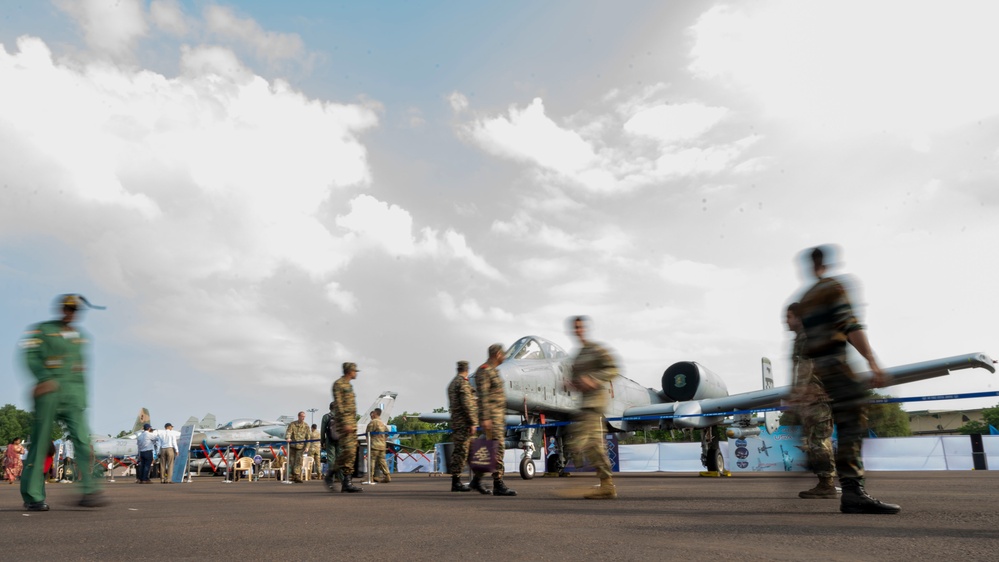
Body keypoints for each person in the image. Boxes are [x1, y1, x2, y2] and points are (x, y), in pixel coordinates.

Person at [797, 246, 900, 514]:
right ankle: (853, 491)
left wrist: (804, 384)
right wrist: (872, 361)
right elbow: (850, 325)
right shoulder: (834, 288)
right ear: (827, 263)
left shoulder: (806, 298)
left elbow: (801, 346)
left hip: (820, 373)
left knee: (840, 426)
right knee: (852, 424)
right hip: (838, 368)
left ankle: (846, 486)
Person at [19, 294, 108, 510]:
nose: (71, 313)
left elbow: (81, 372)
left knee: (82, 441)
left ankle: (89, 490)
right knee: (41, 445)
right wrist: (42, 378)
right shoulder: (42, 330)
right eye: (68, 308)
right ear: (61, 309)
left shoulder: (80, 337)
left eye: (75, 310)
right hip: (49, 393)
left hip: (73, 398)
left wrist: (83, 399)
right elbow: (30, 356)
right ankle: (33, 496)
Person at [786, 302, 837, 499]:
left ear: (799, 318)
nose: (786, 322)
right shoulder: (802, 338)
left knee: (819, 441)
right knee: (814, 440)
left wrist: (798, 394)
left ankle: (827, 484)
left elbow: (805, 369)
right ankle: (825, 481)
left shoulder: (808, 337)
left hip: (815, 397)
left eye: (789, 317)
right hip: (809, 398)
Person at [567, 316, 620, 499]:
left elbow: (613, 368)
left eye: (580, 327)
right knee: (587, 444)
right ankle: (605, 484)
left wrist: (594, 379)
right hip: (584, 406)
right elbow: (577, 382)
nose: (578, 330)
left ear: (585, 329)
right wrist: (571, 384)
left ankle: (607, 485)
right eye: (575, 327)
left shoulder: (596, 350)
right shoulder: (578, 355)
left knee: (593, 445)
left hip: (595, 404)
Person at [472, 344, 517, 497]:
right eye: (503, 354)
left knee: (487, 450)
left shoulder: (493, 371)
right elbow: (483, 395)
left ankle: (476, 480)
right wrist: (485, 417)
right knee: (497, 449)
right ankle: (498, 484)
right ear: (497, 354)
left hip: (497, 418)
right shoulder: (485, 371)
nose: (504, 356)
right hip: (491, 418)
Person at [331, 363, 362, 493]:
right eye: (355, 371)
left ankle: (347, 482)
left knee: (352, 452)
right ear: (350, 371)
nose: (356, 373)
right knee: (348, 451)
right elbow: (338, 405)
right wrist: (345, 423)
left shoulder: (349, 385)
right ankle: (332, 473)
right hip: (345, 424)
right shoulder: (339, 384)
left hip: (352, 423)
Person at [447, 360, 478, 492]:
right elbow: (468, 405)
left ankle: (462, 480)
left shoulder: (452, 384)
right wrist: (473, 422)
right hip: (464, 424)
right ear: (467, 370)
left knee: (459, 452)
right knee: (463, 452)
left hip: (456, 422)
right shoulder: (463, 384)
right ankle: (457, 483)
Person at [285, 411, 310, 483]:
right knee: (292, 461)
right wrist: (288, 438)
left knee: (298, 461)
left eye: (304, 417)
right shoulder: (292, 424)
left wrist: (307, 446)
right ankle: (293, 475)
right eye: (302, 416)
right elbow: (288, 432)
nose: (303, 418)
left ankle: (296, 476)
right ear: (298, 416)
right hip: (292, 446)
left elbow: (308, 437)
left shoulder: (306, 426)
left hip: (300, 447)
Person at [367, 408, 391, 483]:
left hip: (374, 445)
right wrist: (383, 440)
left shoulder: (373, 422)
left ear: (375, 413)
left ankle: (370, 478)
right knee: (382, 461)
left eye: (373, 413)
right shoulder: (382, 423)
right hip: (382, 445)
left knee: (371, 461)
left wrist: (368, 443)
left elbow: (368, 433)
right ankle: (387, 476)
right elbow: (387, 432)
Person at [321, 401, 340, 490]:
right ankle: (340, 477)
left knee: (331, 459)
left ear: (330, 408)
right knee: (340, 459)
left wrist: (322, 441)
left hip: (330, 440)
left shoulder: (326, 417)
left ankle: (330, 478)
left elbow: (322, 431)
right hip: (340, 440)